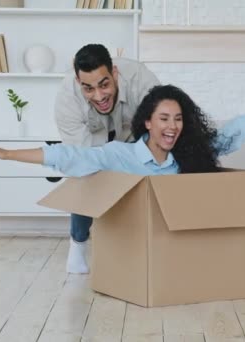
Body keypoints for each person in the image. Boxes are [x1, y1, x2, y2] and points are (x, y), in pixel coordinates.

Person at [0, 75, 245, 273]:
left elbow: (234, 131)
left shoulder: (188, 154)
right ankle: (78, 245)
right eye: (164, 118)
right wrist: (6, 154)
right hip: (134, 251)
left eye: (178, 119)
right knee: (83, 172)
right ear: (147, 122)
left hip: (179, 252)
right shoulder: (121, 155)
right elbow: (68, 155)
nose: (172, 126)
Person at [53, 43, 159, 273]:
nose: (99, 95)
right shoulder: (67, 101)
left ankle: (143, 244)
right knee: (85, 175)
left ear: (115, 73)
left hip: (135, 135)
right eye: (88, 88)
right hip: (93, 141)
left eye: (104, 84)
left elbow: (161, 133)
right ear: (78, 83)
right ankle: (78, 246)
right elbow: (81, 160)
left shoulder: (142, 81)